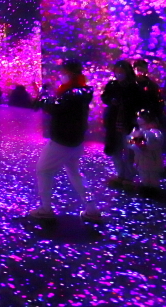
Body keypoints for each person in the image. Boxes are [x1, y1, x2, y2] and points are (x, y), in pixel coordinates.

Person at [29, 60, 101, 221]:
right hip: (76, 139)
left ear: (70, 73)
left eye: (63, 72)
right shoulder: (83, 91)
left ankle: (46, 208)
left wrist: (44, 98)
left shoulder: (71, 93)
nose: (61, 76)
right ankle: (92, 209)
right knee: (75, 173)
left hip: (62, 140)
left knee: (43, 170)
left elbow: (56, 109)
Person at [101, 60, 144, 188]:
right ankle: (120, 175)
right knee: (116, 149)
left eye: (121, 71)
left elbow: (138, 103)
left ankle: (129, 177)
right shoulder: (112, 85)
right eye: (117, 71)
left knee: (130, 150)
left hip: (129, 122)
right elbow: (105, 97)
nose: (119, 74)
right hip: (114, 122)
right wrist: (111, 100)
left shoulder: (134, 86)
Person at [128, 110, 164, 195]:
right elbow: (130, 142)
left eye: (141, 118)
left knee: (152, 176)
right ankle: (146, 189)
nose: (138, 119)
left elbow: (157, 143)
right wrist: (136, 145)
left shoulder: (154, 132)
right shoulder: (137, 131)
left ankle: (154, 191)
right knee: (144, 175)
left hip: (152, 159)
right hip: (141, 159)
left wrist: (145, 145)